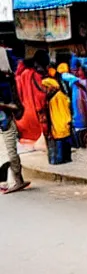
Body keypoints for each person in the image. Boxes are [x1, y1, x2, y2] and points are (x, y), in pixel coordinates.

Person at [0, 51, 30, 193]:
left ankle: (18, 180)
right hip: (5, 120)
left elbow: (16, 105)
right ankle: (8, 182)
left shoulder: (7, 84)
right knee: (7, 154)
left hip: (6, 121)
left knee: (11, 153)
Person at [41, 76, 72, 165]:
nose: (44, 90)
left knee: (60, 156)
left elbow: (63, 112)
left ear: (51, 87)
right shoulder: (55, 96)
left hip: (60, 127)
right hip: (60, 127)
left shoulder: (58, 97)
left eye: (45, 87)